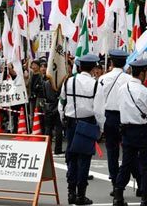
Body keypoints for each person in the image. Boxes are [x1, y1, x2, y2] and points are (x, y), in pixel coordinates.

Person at [94, 50, 140, 197]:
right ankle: (140, 183)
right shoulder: (129, 79)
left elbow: (98, 104)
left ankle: (116, 184)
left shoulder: (103, 78)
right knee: (130, 152)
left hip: (109, 117)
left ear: (112, 62)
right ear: (125, 62)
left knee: (112, 153)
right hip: (126, 117)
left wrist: (100, 125)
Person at [113, 58, 147, 206]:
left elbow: (120, 107)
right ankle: (145, 197)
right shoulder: (146, 92)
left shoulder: (122, 88)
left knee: (126, 163)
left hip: (126, 129)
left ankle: (118, 195)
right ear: (143, 73)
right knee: (145, 165)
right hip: (143, 130)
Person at [58, 54, 100, 205]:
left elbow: (62, 102)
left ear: (80, 66)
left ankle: (71, 192)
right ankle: (80, 196)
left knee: (71, 157)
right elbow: (98, 109)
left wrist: (63, 117)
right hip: (88, 123)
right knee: (84, 159)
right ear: (94, 68)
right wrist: (100, 127)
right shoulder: (95, 84)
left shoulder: (69, 81)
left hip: (71, 122)